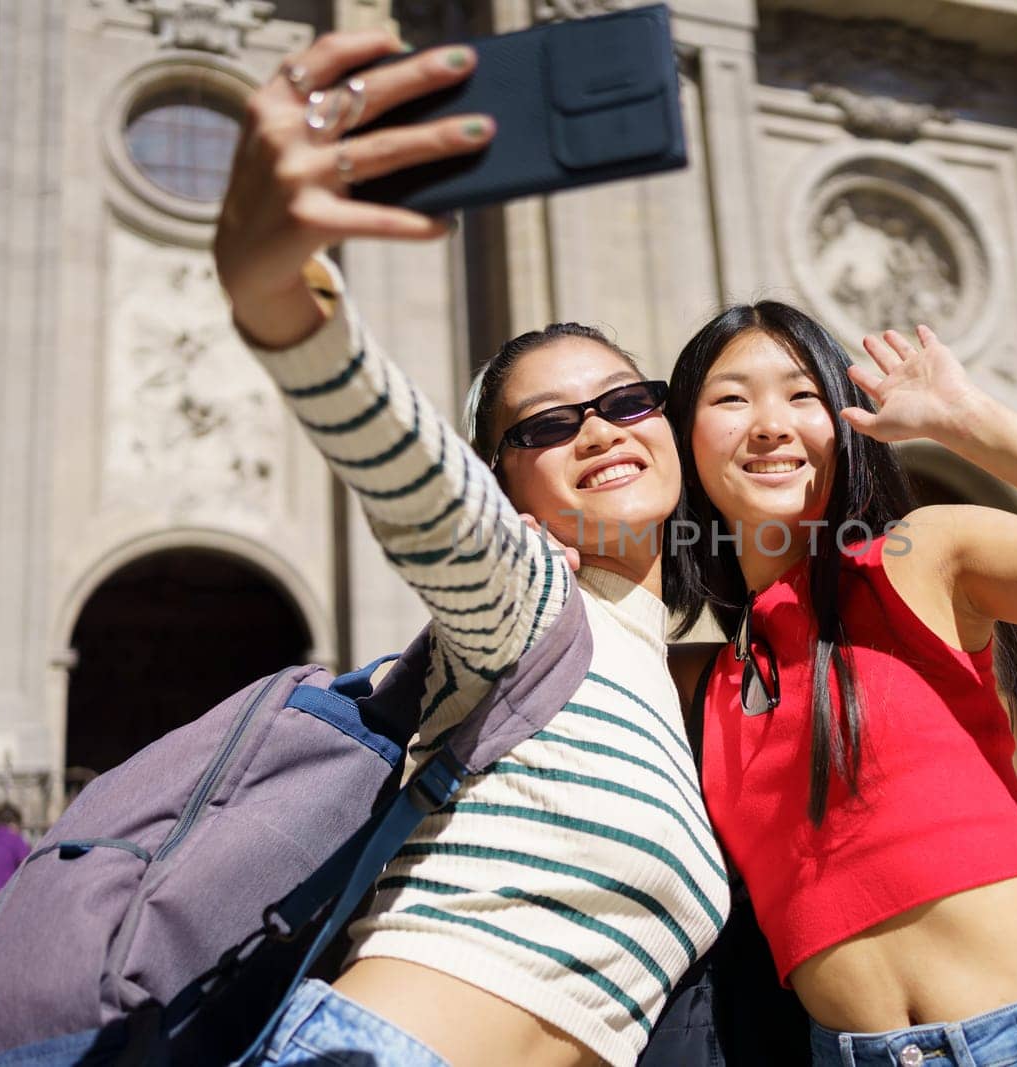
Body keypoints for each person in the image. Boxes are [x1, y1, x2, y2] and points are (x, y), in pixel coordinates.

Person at [214, 29, 727, 1067]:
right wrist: (288, 311)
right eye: (545, 425)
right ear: (509, 491)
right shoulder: (530, 603)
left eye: (629, 399)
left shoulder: (676, 675)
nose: (598, 429)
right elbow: (419, 488)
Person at [662, 306, 1017, 1065]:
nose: (771, 424)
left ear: (843, 424)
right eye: (732, 398)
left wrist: (971, 420)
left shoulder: (915, 559)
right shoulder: (696, 680)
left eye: (803, 395)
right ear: (685, 438)